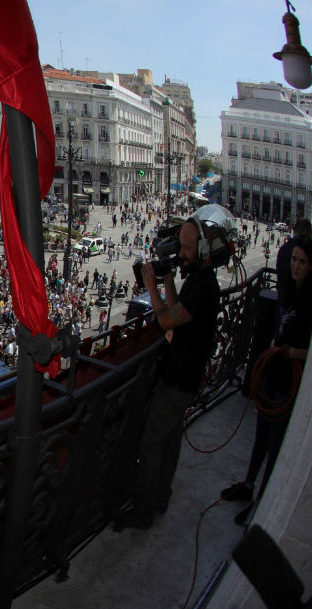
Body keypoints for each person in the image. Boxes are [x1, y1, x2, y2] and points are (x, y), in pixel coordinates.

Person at [114, 210, 225, 530]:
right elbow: (177, 311)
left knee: (151, 443)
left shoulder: (204, 286)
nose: (181, 254)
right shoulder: (200, 280)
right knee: (171, 439)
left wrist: (151, 287)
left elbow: (166, 322)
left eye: (187, 249)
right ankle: (161, 496)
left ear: (203, 251)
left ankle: (143, 510)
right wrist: (167, 280)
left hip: (178, 377)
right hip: (186, 375)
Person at [222, 237, 312, 523]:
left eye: (302, 262)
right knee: (261, 436)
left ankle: (262, 504)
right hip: (272, 372)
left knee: (276, 444)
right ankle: (249, 485)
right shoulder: (288, 290)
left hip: (289, 379)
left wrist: (292, 352)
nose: (297, 266)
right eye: (294, 261)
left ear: (311, 265)